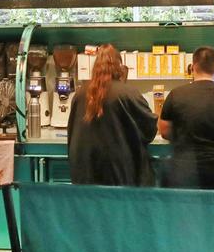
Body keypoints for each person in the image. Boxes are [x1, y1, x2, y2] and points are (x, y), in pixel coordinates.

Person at [67, 44, 157, 186]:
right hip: (120, 175)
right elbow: (149, 131)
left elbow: (71, 131)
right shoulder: (128, 93)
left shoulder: (80, 93)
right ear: (119, 67)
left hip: (85, 174)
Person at [158, 46, 214, 190]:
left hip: (185, 168)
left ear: (192, 67)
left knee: (186, 209)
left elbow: (165, 131)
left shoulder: (176, 95)